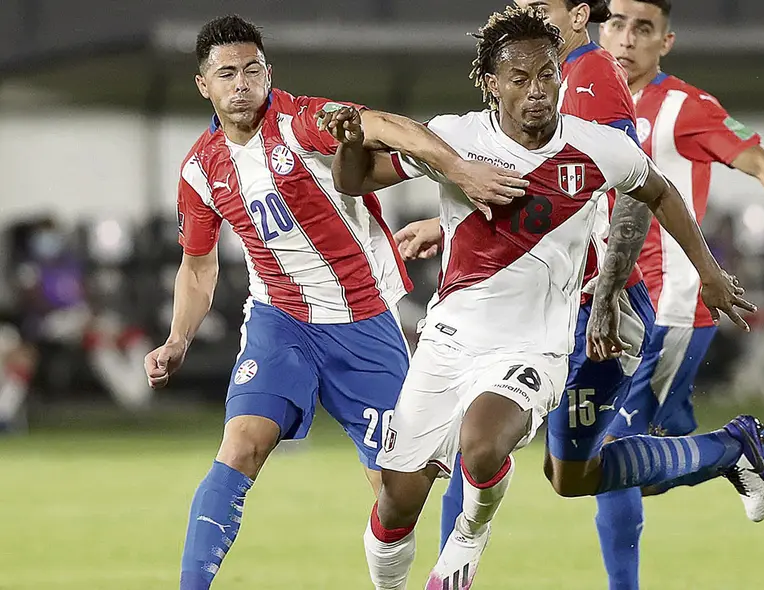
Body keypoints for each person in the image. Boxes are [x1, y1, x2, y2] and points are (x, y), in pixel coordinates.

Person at [330, 8, 764, 589]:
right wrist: (350, 143)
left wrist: (707, 272)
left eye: (546, 75)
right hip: (450, 340)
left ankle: (470, 534)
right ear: (491, 83)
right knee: (395, 503)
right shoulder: (456, 138)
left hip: (536, 347)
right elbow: (356, 181)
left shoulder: (595, 147)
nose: (537, 92)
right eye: (519, 79)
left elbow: (657, 191)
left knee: (482, 446)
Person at [142, 15, 527, 590]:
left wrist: (459, 168)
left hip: (362, 324)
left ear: (268, 72)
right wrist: (177, 339)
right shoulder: (201, 169)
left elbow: (387, 126)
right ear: (205, 86)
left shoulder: (302, 121)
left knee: (399, 492)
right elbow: (198, 265)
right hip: (280, 322)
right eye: (227, 74)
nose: (242, 83)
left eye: (253, 69)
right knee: (242, 444)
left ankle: (444, 562)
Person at [586, 1, 764, 587]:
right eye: (617, 24)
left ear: (666, 42)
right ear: (598, 27)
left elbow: (758, 160)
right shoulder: (578, 96)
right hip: (602, 302)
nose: (626, 39)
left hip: (670, 307)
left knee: (611, 455)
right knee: (652, 452)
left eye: (643, 29)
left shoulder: (683, 107)